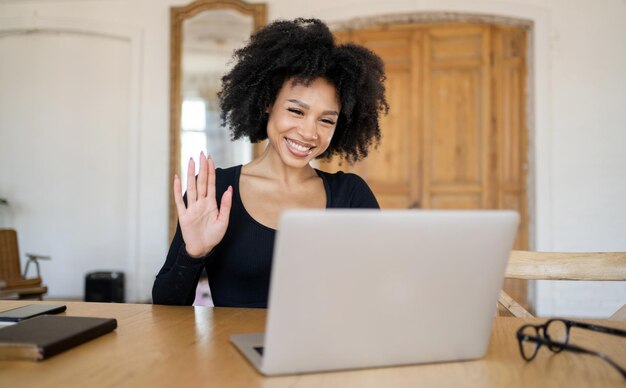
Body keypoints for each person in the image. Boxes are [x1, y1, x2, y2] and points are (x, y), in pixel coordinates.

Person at [152, 18, 388, 308]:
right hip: (231, 352)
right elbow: (165, 307)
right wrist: (193, 254)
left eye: (326, 120)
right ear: (267, 103)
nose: (309, 132)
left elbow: (380, 292)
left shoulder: (351, 195)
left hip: (322, 352)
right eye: (296, 111)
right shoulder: (214, 193)